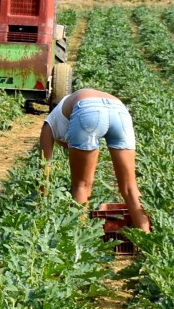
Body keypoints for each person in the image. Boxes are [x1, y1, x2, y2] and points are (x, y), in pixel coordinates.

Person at [39, 88, 149, 232]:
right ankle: (148, 244)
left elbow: (44, 169)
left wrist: (42, 202)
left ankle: (81, 241)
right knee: (130, 187)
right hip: (119, 110)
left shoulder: (48, 125)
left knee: (81, 186)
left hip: (87, 109)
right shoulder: (64, 109)